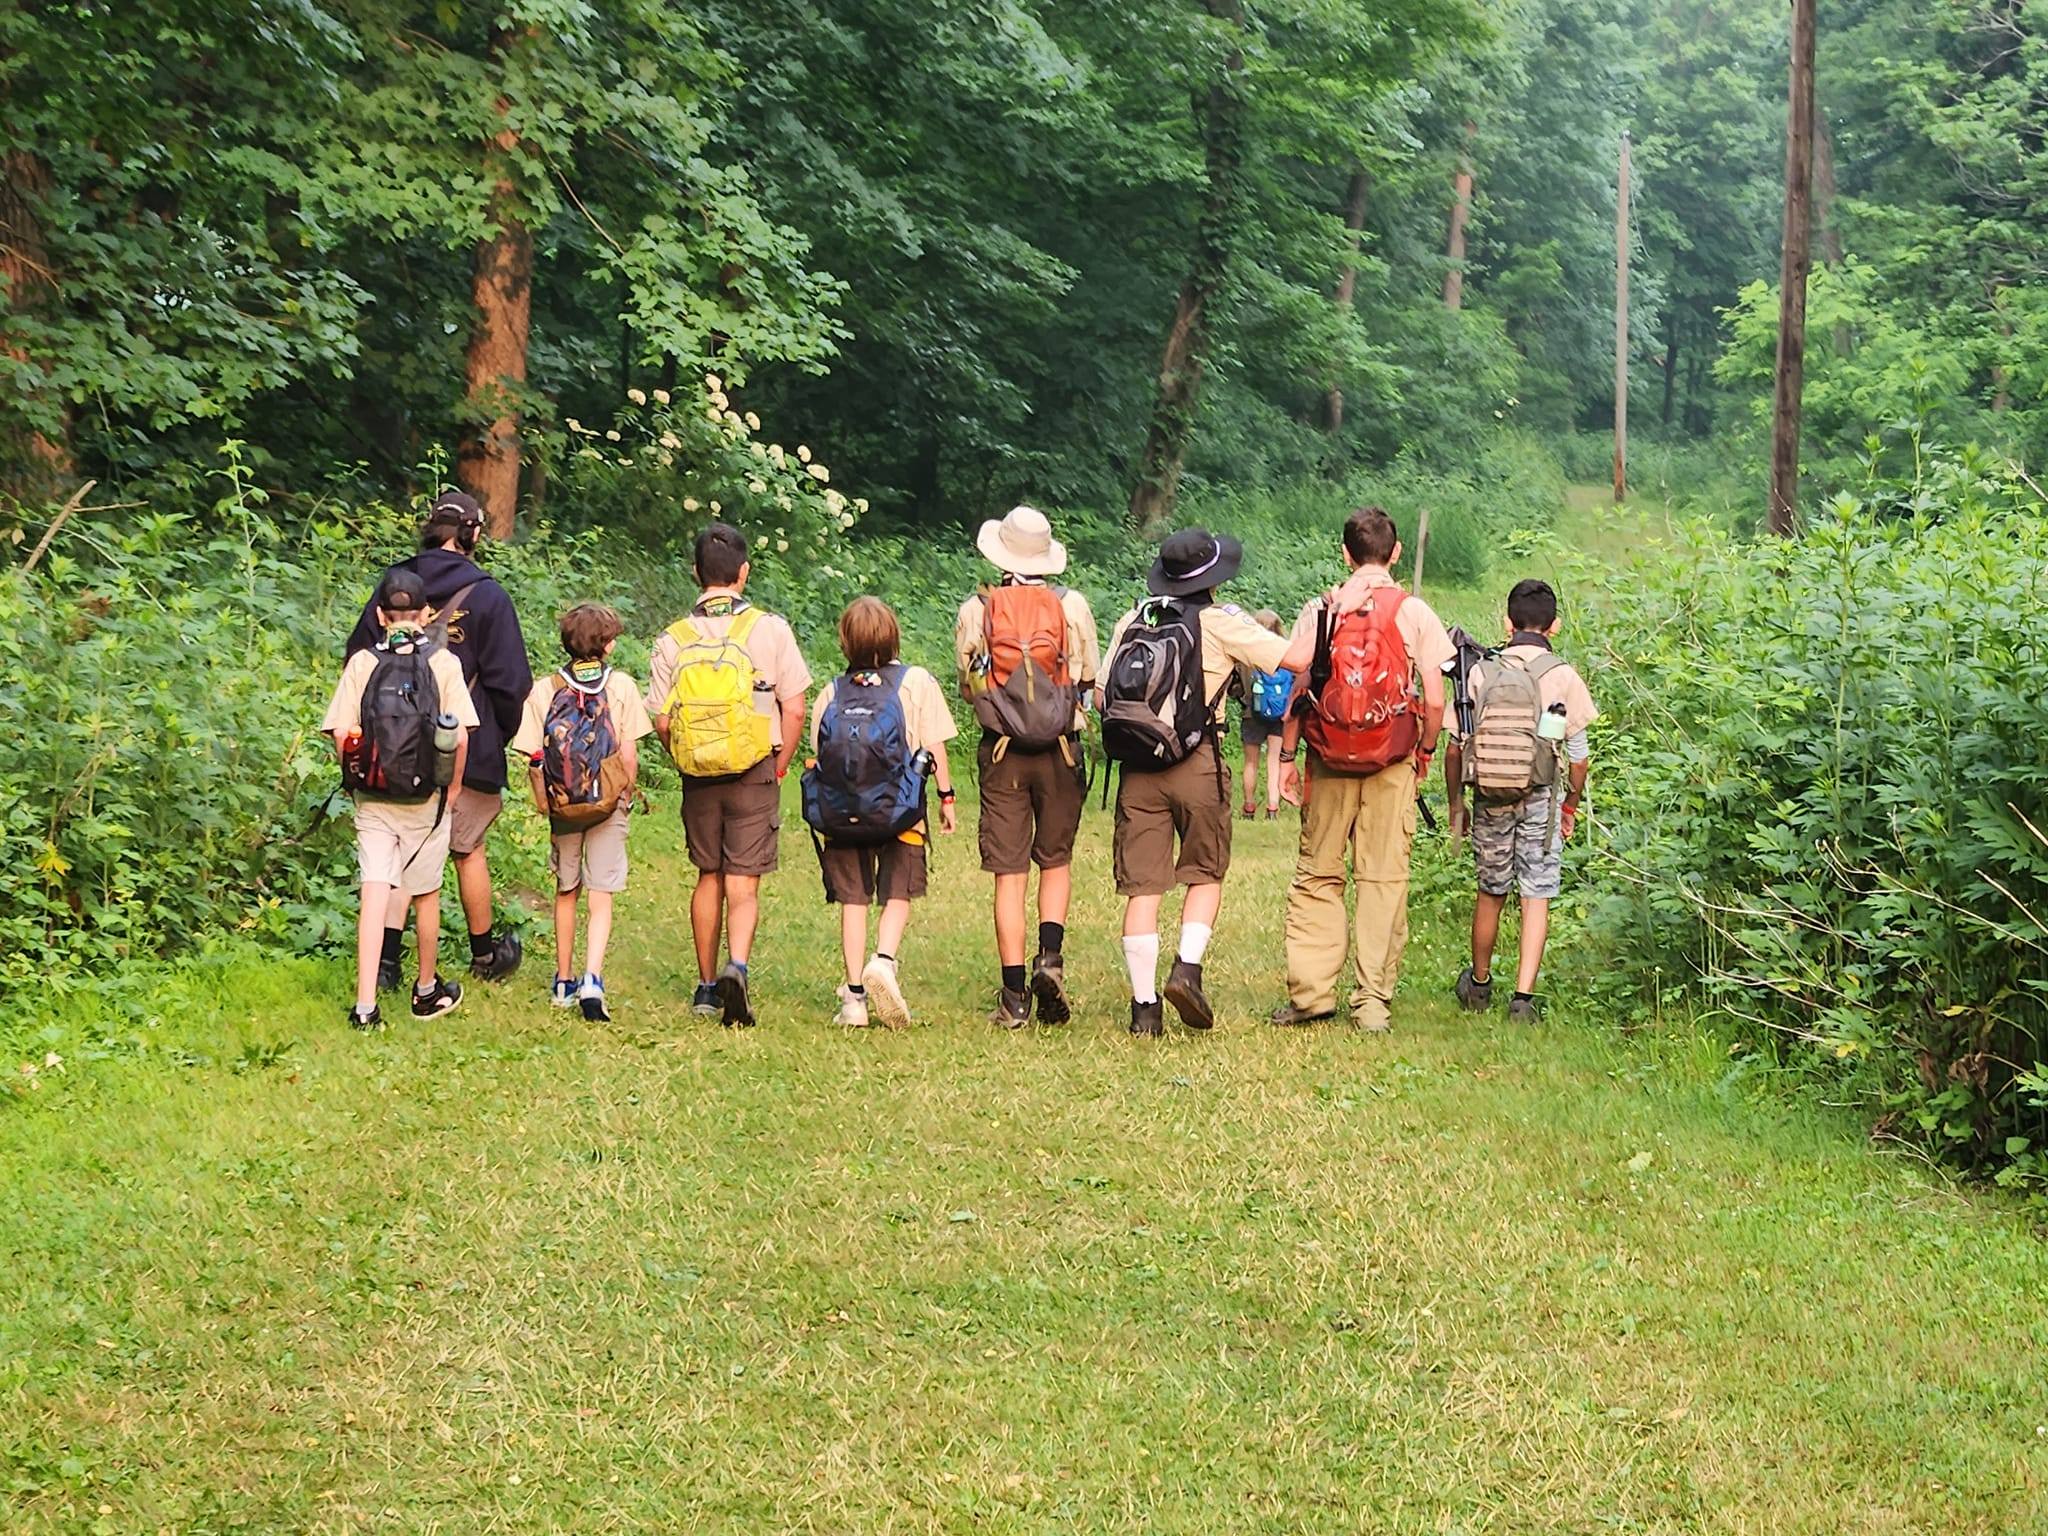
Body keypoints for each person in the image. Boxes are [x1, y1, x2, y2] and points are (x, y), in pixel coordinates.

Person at [1099, 529, 1321, 1036]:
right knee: (1204, 871)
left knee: (1143, 887)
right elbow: (1295, 661)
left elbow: (1099, 695)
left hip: (1138, 769)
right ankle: (1187, 970)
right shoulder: (1219, 622)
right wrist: (1316, 611)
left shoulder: (1134, 618)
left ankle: (1144, 1009)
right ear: (1213, 577)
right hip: (1198, 761)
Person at [1271, 507, 1453, 1034]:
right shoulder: (1415, 611)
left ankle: (1311, 994)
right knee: (1383, 880)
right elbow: (1436, 701)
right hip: (1392, 761)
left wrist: (1287, 758)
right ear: (1395, 554)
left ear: (1345, 553)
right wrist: (1422, 752)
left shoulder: (1321, 610)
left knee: (1317, 875)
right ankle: (1371, 1002)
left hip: (1328, 759)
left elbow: (1298, 690)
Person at [347, 490, 531, 989]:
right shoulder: (488, 595)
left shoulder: (394, 585)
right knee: (467, 849)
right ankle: (484, 953)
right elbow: (512, 683)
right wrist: (498, 734)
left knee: (400, 856)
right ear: (472, 534)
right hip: (464, 745)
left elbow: (358, 660)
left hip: (392, 752)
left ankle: (385, 962)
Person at [647, 522, 811, 1027]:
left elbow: (659, 717)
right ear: (744, 573)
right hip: (755, 767)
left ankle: (704, 987)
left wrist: (686, 755)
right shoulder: (770, 628)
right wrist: (778, 764)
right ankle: (736, 967)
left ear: (696, 573)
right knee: (744, 879)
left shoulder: (673, 638)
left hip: (698, 772)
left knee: (708, 875)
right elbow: (796, 707)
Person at [954, 506, 1100, 1028]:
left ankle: (1014, 996)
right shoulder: (1072, 605)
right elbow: (1087, 676)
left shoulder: (979, 607)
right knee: (1055, 860)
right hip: (1061, 749)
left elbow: (968, 680)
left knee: (1009, 874)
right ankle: (1050, 960)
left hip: (1002, 753)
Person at [323, 564, 479, 1029]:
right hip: (425, 800)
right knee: (424, 894)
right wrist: (451, 791)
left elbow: (341, 731)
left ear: (381, 614)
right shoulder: (443, 663)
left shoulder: (363, 663)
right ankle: (426, 991)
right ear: (427, 613)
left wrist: (358, 775)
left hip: (372, 799)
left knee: (375, 890)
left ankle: (365, 1005)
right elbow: (462, 737)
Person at [1446, 578, 1598, 1021]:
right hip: (1541, 800)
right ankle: (1523, 1000)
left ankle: (1478, 985)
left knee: (1490, 890)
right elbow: (1579, 757)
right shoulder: (1562, 675)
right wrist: (1569, 805)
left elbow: (1457, 746)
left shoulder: (1481, 671)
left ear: (1507, 622)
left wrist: (1457, 804)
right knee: (1536, 894)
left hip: (1490, 794)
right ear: (1555, 626)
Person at [806, 597, 959, 1028]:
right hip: (901, 810)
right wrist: (946, 797)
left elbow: (820, 756)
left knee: (853, 900)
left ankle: (854, 999)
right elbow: (934, 748)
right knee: (898, 891)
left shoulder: (831, 691)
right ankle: (884, 960)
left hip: (844, 816)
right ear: (893, 635)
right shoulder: (917, 682)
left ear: (844, 642)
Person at [511, 602, 653, 1023]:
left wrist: (545, 801)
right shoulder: (622, 686)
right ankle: (592, 977)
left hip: (564, 806)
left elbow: (531, 755)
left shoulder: (545, 688)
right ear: (607, 645)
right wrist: (623, 792)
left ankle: (562, 979)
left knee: (566, 890)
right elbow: (628, 754)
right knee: (601, 894)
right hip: (607, 806)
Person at [1236, 609, 1290, 820]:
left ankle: (1249, 807)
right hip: (1278, 714)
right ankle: (1272, 808)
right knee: (1273, 760)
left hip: (1252, 713)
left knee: (1251, 762)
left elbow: (1237, 685)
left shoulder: (1245, 652)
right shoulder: (1284, 651)